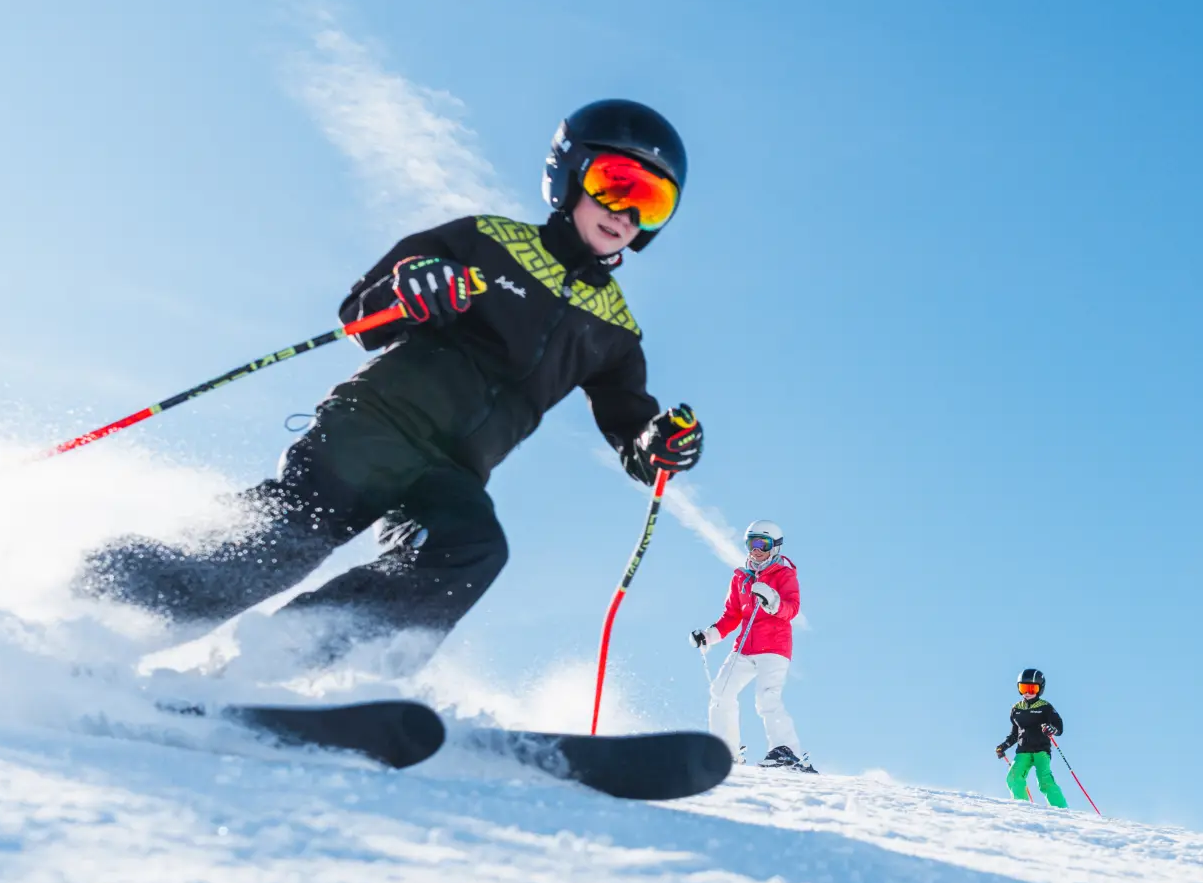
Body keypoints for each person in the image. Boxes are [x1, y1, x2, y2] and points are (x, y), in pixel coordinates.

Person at [75, 99, 704, 674]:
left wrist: (658, 445)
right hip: (372, 426)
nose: (624, 212)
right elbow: (362, 313)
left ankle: (281, 664)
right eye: (613, 184)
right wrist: (416, 287)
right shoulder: (487, 240)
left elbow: (631, 430)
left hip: (451, 472)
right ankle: (108, 605)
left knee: (469, 550)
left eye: (649, 202)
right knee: (289, 541)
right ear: (568, 176)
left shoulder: (615, 329)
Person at [692, 520, 813, 771]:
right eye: (751, 543)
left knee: (767, 698)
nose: (756, 549)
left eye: (762, 543)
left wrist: (772, 600)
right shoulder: (741, 578)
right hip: (744, 647)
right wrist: (708, 635)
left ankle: (786, 750)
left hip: (774, 646)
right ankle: (725, 749)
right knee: (720, 692)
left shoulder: (784, 574)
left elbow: (791, 609)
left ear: (775, 547)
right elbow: (731, 616)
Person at [995, 668, 1067, 808]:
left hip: (1041, 750)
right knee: (1013, 777)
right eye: (1023, 688)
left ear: (1040, 689)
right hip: (1023, 751)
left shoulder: (1045, 707)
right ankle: (1022, 807)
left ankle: (1061, 808)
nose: (1027, 692)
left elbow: (1059, 727)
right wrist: (1004, 746)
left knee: (1044, 781)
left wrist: (1052, 729)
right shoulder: (1016, 709)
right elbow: (1014, 734)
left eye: (1032, 689)